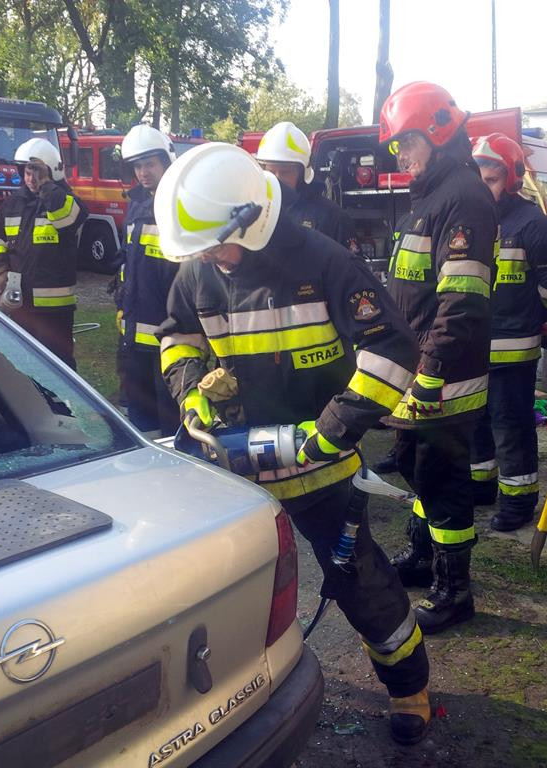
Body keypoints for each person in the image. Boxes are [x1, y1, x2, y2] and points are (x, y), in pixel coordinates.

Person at [155, 143, 431, 745]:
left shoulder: (324, 262)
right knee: (228, 588)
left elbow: (392, 349)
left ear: (249, 223)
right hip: (230, 465)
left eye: (213, 243)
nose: (206, 256)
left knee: (359, 580)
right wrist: (191, 393)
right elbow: (177, 336)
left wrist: (333, 430)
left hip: (318, 462)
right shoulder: (202, 267)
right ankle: (236, 691)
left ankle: (409, 685)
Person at [378, 82, 498, 635]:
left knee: (443, 479)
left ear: (438, 133)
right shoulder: (431, 197)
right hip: (419, 368)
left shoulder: (463, 199)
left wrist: (430, 371)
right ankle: (425, 559)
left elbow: (460, 301)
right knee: (414, 465)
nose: (401, 157)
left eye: (407, 144)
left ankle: (455, 590)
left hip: (443, 376)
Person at [470, 133, 547, 530]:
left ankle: (518, 503)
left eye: (492, 180)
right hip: (472, 349)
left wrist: (529, 317)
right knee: (475, 421)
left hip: (512, 353)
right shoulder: (471, 221)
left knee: (510, 426)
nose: (484, 188)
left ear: (511, 178)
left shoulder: (533, 226)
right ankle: (481, 485)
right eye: (478, 179)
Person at [0, 138, 87, 368]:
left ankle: (60, 404)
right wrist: (1, 269)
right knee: (24, 362)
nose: (31, 179)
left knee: (58, 365)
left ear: (51, 171)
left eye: (37, 173)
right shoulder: (13, 203)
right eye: (26, 173)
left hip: (54, 309)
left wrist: (46, 187)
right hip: (19, 304)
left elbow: (66, 220)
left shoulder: (67, 201)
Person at [114, 125, 181, 437]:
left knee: (170, 411)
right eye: (137, 166)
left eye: (149, 164)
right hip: (133, 329)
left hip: (168, 329)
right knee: (139, 415)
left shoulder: (181, 203)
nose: (143, 173)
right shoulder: (137, 203)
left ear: (167, 161)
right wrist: (120, 295)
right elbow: (130, 260)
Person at [255, 121, 358, 252]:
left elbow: (351, 270)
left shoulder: (333, 217)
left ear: (303, 173)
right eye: (271, 171)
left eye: (285, 172)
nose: (277, 178)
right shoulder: (256, 212)